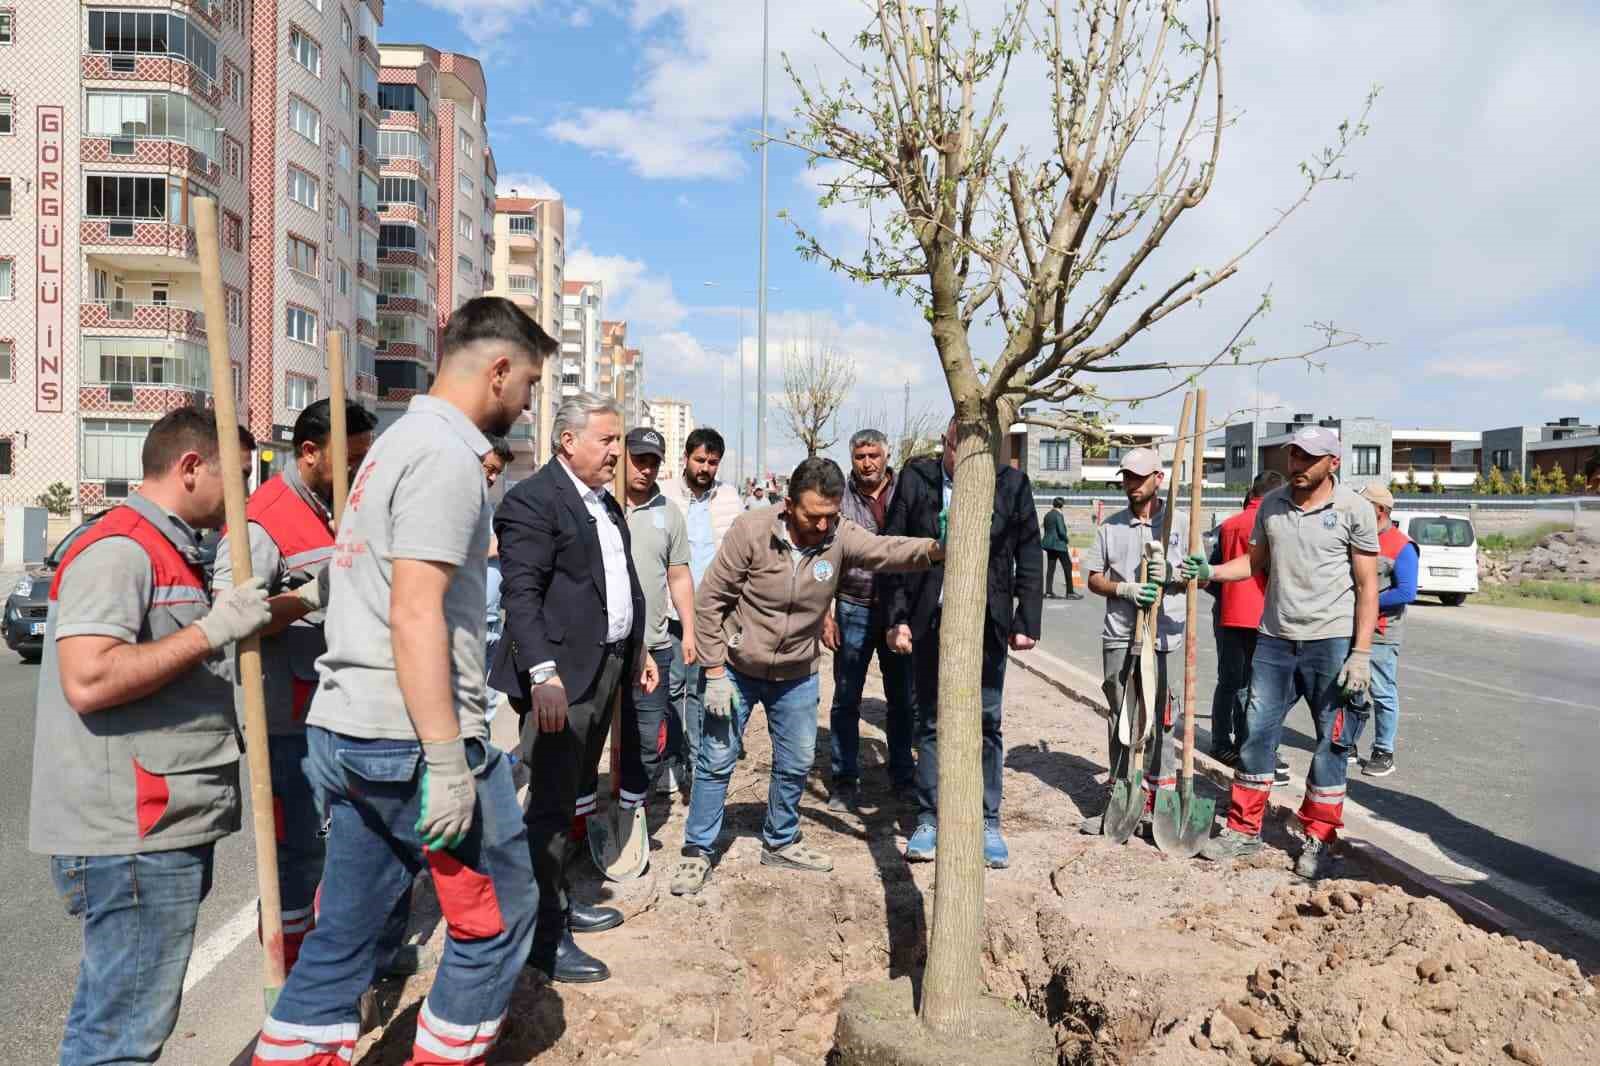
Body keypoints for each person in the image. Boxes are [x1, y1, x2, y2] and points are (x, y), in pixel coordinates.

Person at [252, 296, 551, 1065]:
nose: (525, 405)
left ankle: (296, 1050)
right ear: (499, 369)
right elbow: (416, 613)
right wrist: (449, 761)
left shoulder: (390, 445)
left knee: (344, 931)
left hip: (351, 730)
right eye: (529, 386)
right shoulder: (446, 459)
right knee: (498, 916)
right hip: (411, 743)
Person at [30, 407, 274, 1066]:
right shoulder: (122, 549)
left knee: (119, 1020)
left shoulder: (170, 547)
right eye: (241, 476)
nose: (247, 494)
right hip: (133, 834)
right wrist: (212, 629)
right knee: (121, 1038)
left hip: (157, 824)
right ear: (191, 467)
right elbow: (90, 678)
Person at [671, 457, 943, 896]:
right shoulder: (752, 531)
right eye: (811, 515)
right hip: (737, 670)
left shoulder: (839, 535)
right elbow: (710, 601)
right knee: (716, 760)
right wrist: (714, 669)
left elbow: (887, 551)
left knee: (796, 762)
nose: (820, 526)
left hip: (796, 672)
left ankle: (780, 839)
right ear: (788, 504)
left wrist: (936, 548)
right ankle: (697, 850)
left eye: (829, 516)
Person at [489, 392, 657, 985]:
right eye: (608, 440)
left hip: (604, 667)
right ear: (568, 440)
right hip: (561, 680)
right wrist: (543, 675)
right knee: (553, 805)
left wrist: (635, 652)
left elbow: (618, 584)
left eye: (618, 440)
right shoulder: (532, 502)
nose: (618, 451)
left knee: (573, 791)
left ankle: (558, 902)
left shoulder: (601, 501)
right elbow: (521, 597)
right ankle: (542, 936)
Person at [212, 399, 378, 972]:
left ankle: (332, 961)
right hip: (286, 722)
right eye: (349, 459)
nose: (358, 469)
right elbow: (232, 613)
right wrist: (309, 595)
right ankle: (290, 978)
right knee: (297, 858)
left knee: (335, 852)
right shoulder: (265, 518)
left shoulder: (336, 507)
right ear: (309, 453)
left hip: (334, 711)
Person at [1181, 426, 1379, 880]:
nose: (1297, 466)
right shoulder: (1271, 505)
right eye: (1293, 456)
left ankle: (1319, 838)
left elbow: (1368, 586)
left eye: (1308, 458)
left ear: (1333, 462)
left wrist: (1362, 653)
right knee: (1255, 733)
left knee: (1332, 741)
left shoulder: (1354, 510)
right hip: (1273, 641)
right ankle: (1243, 829)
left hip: (1330, 643)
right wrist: (1209, 569)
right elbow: (1253, 565)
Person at [881, 418, 1044, 869]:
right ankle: (930, 817)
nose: (968, 460)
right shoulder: (917, 481)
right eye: (959, 449)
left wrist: (1025, 618)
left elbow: (1029, 552)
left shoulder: (1012, 485)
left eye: (980, 452)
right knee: (930, 721)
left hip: (986, 622)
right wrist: (896, 619)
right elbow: (893, 550)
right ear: (945, 444)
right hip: (930, 619)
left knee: (987, 722)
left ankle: (988, 820)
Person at [1077, 447, 1189, 835]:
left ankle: (1160, 804)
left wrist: (1173, 572)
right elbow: (1092, 577)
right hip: (1120, 636)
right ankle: (1121, 796)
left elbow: (1201, 577)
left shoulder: (1179, 525)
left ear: (1159, 479)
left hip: (1164, 637)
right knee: (1122, 717)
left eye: (1139, 478)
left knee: (1163, 719)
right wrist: (1124, 588)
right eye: (1126, 477)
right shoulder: (1111, 527)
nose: (1131, 485)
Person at [823, 429, 917, 812]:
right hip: (852, 605)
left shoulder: (905, 491)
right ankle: (844, 779)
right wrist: (825, 614)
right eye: (860, 455)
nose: (867, 463)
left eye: (874, 455)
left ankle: (902, 776)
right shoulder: (839, 498)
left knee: (902, 699)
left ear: (886, 455)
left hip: (899, 611)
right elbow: (823, 556)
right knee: (846, 697)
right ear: (852, 458)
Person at [659, 428, 745, 781]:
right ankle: (673, 758)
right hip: (672, 610)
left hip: (713, 611)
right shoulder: (665, 496)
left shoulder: (729, 498)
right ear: (686, 458)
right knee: (673, 687)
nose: (705, 468)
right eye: (699, 460)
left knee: (703, 686)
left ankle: (699, 761)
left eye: (712, 462)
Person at [618, 426, 698, 802]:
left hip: (655, 645)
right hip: (606, 648)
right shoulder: (603, 505)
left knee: (648, 737)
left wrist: (692, 633)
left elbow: (679, 576)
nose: (645, 469)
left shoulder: (669, 513)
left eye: (653, 462)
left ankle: (634, 807)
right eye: (639, 460)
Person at [1205, 470, 1286, 768]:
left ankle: (1221, 742)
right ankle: (1247, 744)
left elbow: (1212, 573)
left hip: (1229, 613)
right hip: (1263, 616)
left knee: (1228, 681)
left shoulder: (1228, 526)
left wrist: (1225, 597)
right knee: (1257, 686)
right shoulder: (1272, 523)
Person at [1358, 483, 1416, 778]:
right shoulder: (1358, 538)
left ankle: (1383, 751)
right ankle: (1346, 744)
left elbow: (1406, 591)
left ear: (1380, 510)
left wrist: (1367, 603)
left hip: (1381, 631)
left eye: (1363, 505)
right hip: (1352, 627)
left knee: (1381, 692)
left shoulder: (1402, 546)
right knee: (1348, 688)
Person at [1041, 497, 1082, 599]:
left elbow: (1047, 529)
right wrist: (1066, 539)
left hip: (1049, 545)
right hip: (1059, 545)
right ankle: (1070, 592)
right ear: (1062, 505)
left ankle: (1048, 592)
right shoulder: (1058, 515)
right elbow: (1061, 531)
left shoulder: (1048, 515)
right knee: (1068, 567)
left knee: (1050, 568)